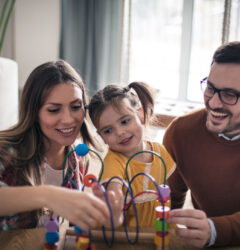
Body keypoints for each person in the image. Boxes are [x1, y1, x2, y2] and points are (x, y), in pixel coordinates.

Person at [0, 60, 122, 231]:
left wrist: (107, 219)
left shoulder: (79, 158)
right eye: (54, 110)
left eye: (75, 107)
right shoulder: (5, 150)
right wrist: (48, 195)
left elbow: (70, 226)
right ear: (34, 112)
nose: (68, 119)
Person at [163, 41, 240, 247]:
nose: (213, 103)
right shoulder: (180, 132)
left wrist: (215, 230)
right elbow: (167, 202)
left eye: (229, 95)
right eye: (211, 88)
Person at [88, 81, 176, 227]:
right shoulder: (114, 162)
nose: (120, 132)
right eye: (108, 131)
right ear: (102, 136)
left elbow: (168, 192)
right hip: (127, 235)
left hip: (159, 228)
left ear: (140, 115)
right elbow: (114, 195)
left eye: (124, 121)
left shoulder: (160, 151)